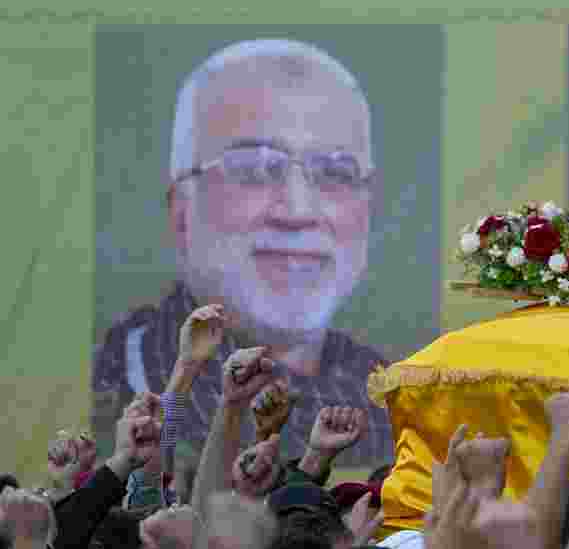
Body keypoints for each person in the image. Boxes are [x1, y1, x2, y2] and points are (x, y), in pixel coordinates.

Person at [92, 38, 393, 466]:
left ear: (370, 206)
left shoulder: (384, 394)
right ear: (181, 211)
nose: (298, 211)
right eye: (253, 169)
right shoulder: (118, 376)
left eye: (335, 172)